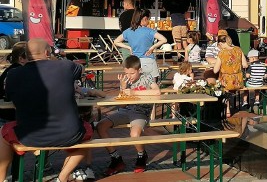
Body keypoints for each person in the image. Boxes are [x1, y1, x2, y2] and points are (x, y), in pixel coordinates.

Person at [0, 39, 92, 182]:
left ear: (26, 55)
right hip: (69, 134)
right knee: (89, 131)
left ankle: (2, 178)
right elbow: (82, 69)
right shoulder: (65, 67)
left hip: (30, 136)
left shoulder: (13, 74)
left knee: (3, 133)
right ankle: (62, 177)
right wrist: (55, 58)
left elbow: (10, 98)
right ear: (47, 53)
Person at [96, 55, 161, 175]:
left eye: (132, 73)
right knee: (100, 126)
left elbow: (157, 91)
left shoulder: (146, 77)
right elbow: (121, 105)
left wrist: (134, 91)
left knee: (134, 134)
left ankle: (141, 156)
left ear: (139, 70)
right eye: (127, 73)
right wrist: (123, 88)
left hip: (141, 112)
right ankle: (116, 158)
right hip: (126, 110)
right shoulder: (126, 80)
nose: (129, 76)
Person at [114, 9, 167, 82]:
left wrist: (128, 47)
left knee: (137, 86)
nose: (149, 22)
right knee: (152, 86)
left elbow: (116, 41)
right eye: (148, 19)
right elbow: (164, 39)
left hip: (136, 63)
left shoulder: (128, 31)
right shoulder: (149, 31)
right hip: (149, 61)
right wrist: (152, 47)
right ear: (145, 18)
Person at [212, 34, 248, 117]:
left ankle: (227, 109)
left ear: (221, 44)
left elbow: (215, 70)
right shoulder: (238, 50)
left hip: (226, 81)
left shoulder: (222, 53)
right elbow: (245, 65)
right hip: (238, 81)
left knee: (222, 87)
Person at [0, 42, 28, 121]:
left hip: (5, 115)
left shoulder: (11, 70)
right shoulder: (18, 72)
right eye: (30, 56)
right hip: (10, 117)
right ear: (21, 59)